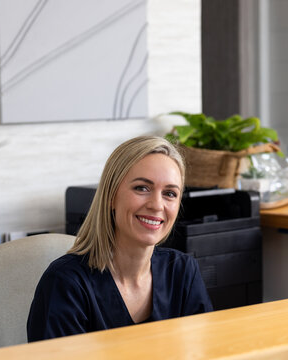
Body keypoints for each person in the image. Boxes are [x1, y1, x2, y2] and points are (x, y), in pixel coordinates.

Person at [27, 135, 213, 341]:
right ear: (111, 196)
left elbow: (204, 351)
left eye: (170, 193)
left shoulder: (182, 271)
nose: (157, 205)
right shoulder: (66, 282)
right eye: (142, 188)